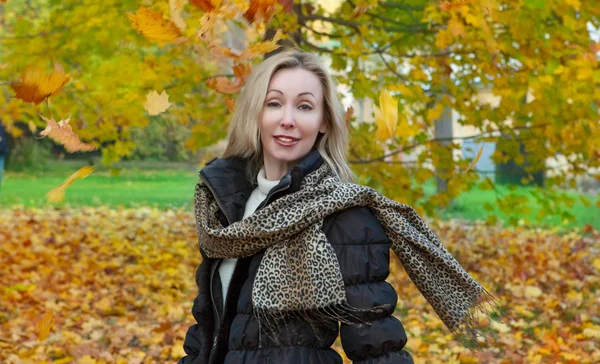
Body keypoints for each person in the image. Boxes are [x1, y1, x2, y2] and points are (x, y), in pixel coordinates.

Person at [179, 48, 508, 364]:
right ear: (256, 113)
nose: (288, 120)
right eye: (274, 103)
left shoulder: (343, 214)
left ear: (324, 120)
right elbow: (205, 333)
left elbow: (375, 346)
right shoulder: (224, 208)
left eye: (305, 107)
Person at [0, 121, 9, 193]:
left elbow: (2, 140)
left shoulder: (1, 128)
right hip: (2, 151)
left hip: (1, 152)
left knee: (0, 170)